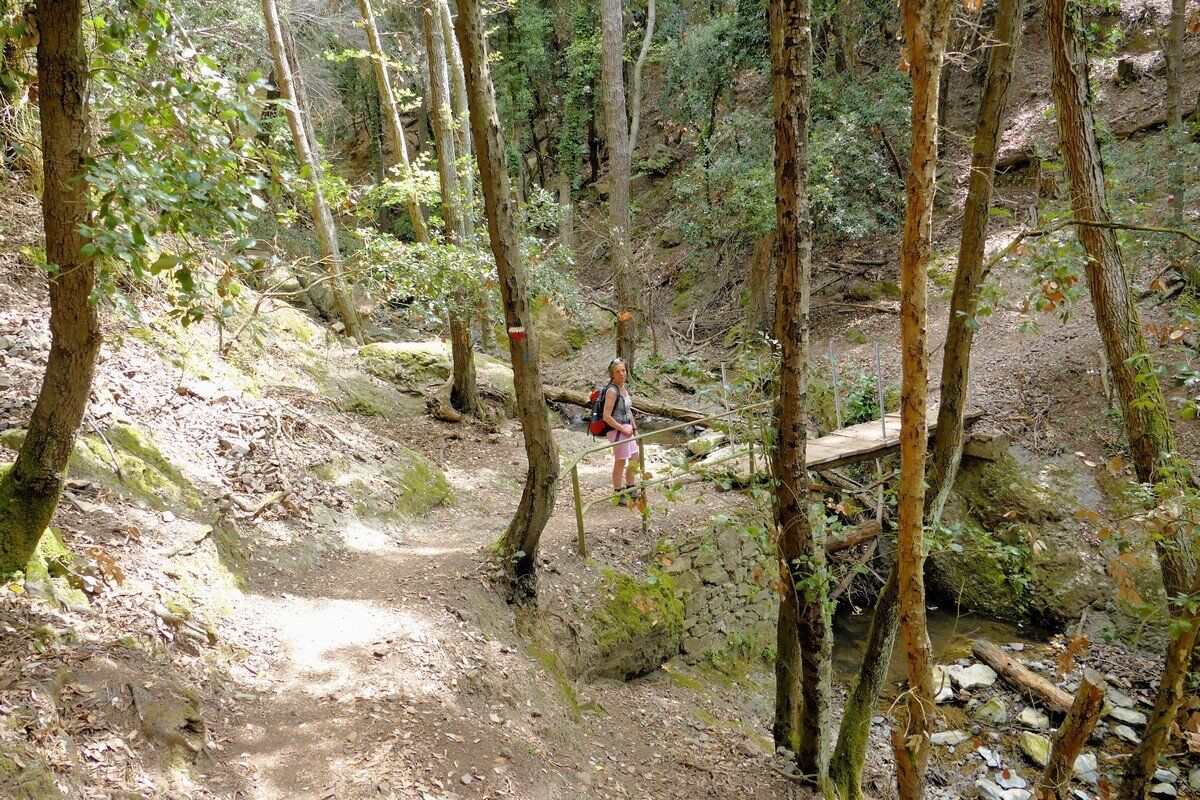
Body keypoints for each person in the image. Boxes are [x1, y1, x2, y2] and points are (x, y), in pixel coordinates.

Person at [601, 358, 639, 502]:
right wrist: (623, 428)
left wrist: (635, 429)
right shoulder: (612, 391)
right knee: (621, 461)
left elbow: (628, 411)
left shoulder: (624, 388)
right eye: (617, 372)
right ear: (612, 374)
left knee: (635, 459)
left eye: (623, 370)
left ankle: (630, 488)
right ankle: (618, 493)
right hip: (617, 431)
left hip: (628, 429)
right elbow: (606, 416)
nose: (621, 374)